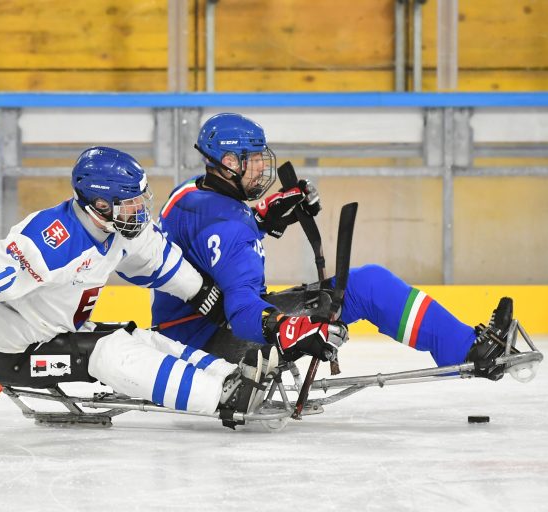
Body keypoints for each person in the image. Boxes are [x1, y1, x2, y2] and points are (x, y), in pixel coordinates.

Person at [151, 113, 515, 382]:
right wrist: (287, 328)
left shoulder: (189, 194)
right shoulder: (233, 231)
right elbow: (244, 311)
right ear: (229, 163)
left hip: (181, 336)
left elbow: (208, 245)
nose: (263, 168)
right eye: (255, 159)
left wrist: (265, 215)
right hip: (214, 349)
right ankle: (470, 351)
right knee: (367, 286)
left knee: (355, 285)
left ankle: (463, 344)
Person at [0, 146, 278, 418]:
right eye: (130, 203)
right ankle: (222, 397)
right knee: (109, 353)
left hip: (55, 331)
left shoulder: (114, 228)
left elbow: (158, 258)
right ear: (100, 204)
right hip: (14, 351)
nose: (139, 210)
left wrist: (205, 295)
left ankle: (228, 375)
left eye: (139, 200)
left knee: (137, 338)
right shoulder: (50, 241)